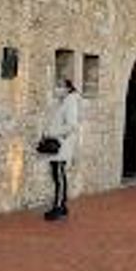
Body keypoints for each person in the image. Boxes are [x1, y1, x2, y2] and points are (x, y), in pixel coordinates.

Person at [43, 79, 80, 221]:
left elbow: (71, 125)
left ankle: (58, 207)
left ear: (68, 88)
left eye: (60, 86)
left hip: (62, 145)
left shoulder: (70, 103)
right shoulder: (62, 102)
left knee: (59, 175)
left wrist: (53, 133)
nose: (57, 88)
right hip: (58, 144)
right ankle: (62, 205)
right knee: (58, 174)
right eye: (57, 85)